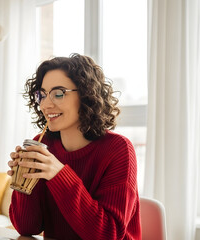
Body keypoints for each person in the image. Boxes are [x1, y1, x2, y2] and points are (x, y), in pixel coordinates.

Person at [7, 53, 141, 240]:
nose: (45, 104)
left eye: (58, 93)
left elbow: (108, 235)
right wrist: (23, 181)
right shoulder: (43, 143)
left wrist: (59, 175)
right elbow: (27, 227)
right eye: (42, 95)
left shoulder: (118, 149)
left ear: (87, 95)